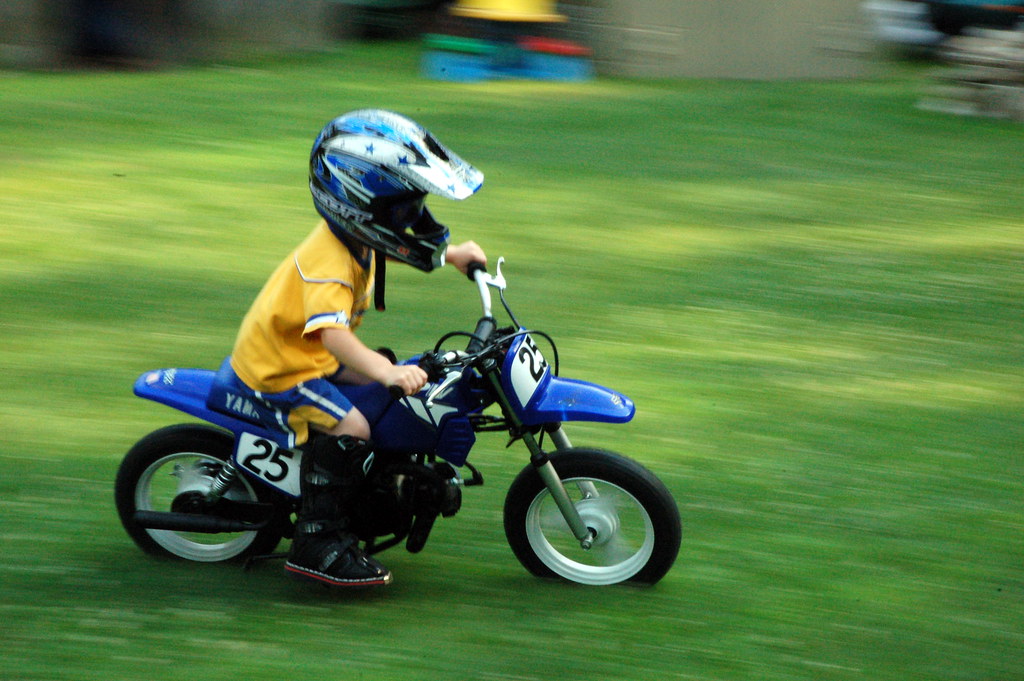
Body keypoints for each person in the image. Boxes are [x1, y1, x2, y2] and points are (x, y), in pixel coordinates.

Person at [211, 109, 486, 588]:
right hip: (283, 368)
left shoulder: (356, 237)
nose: (411, 215)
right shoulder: (329, 263)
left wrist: (450, 252)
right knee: (355, 423)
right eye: (402, 207)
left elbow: (410, 237)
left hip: (312, 357)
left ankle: (377, 489)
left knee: (406, 382)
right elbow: (332, 336)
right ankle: (318, 541)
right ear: (359, 205)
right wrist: (385, 373)